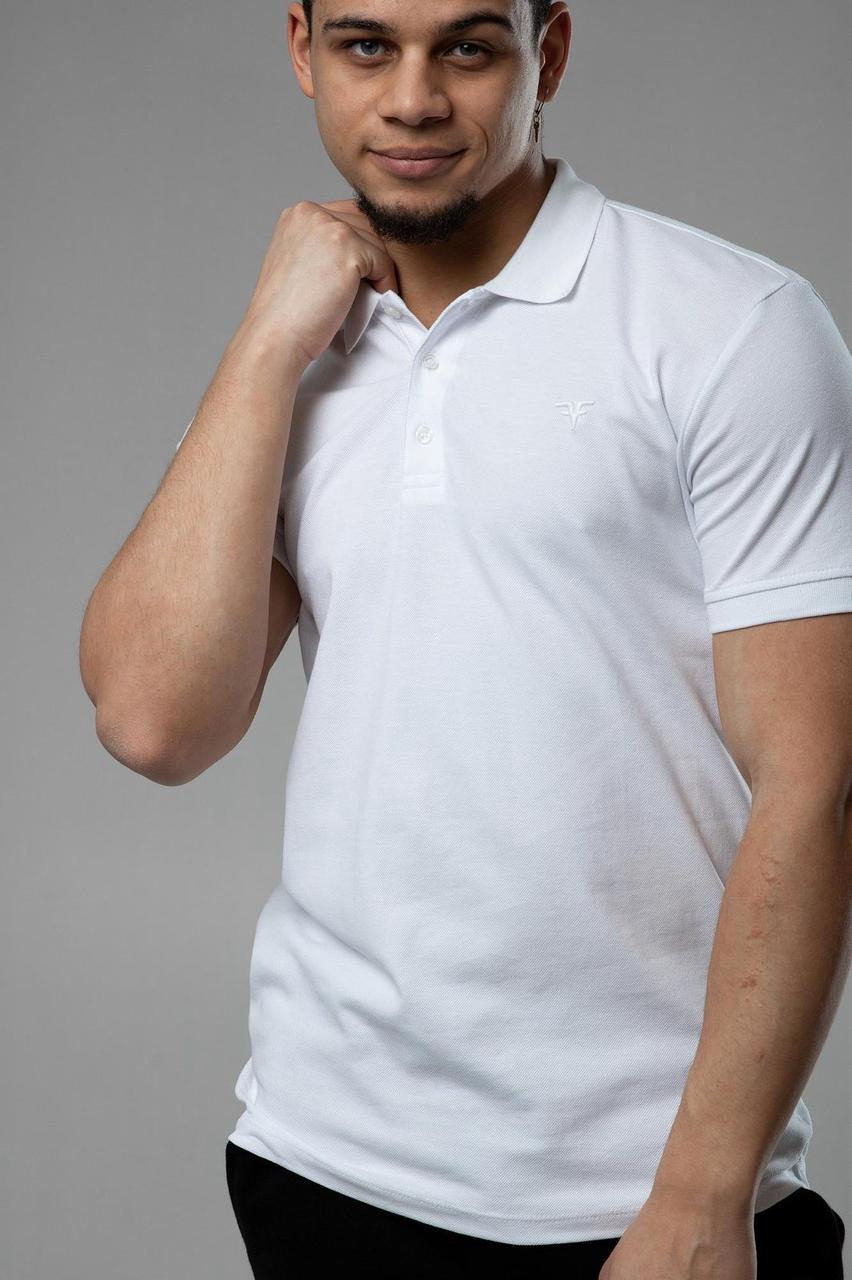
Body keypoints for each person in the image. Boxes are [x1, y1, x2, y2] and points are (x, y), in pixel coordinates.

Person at [80, 2, 852, 1276]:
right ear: (301, 50)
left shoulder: (733, 326)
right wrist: (266, 344)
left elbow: (815, 784)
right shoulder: (297, 351)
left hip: (637, 1192)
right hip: (320, 1160)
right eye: (367, 46)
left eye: (469, 48)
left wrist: (704, 1187)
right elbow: (153, 719)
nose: (414, 98)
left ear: (549, 53)